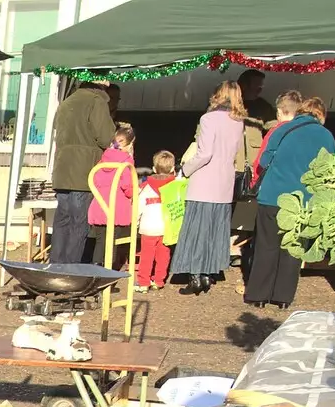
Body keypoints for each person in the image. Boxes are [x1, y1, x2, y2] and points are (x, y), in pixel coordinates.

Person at [246, 96, 335, 310]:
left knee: (266, 245)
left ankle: (259, 295)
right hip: (302, 201)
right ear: (321, 115)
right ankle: (283, 297)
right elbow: (327, 170)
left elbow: (265, 160)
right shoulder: (327, 137)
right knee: (293, 248)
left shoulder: (282, 130)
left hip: (272, 196)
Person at [175, 81, 246, 296]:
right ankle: (207, 273)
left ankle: (195, 276)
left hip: (204, 181)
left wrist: (185, 169)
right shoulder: (238, 121)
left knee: (197, 230)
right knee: (215, 231)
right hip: (224, 182)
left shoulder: (208, 118)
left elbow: (204, 154)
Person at [50, 79, 115, 264]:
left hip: (62, 168)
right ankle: (71, 271)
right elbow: (105, 137)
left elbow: (57, 130)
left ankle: (56, 267)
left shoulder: (67, 102)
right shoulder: (97, 101)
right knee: (79, 223)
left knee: (62, 220)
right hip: (83, 170)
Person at [87, 123, 137, 268]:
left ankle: (95, 270)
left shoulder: (104, 158)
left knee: (100, 240)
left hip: (100, 205)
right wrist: (132, 194)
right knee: (112, 241)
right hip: (116, 206)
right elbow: (127, 185)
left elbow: (95, 179)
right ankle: (107, 276)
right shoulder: (126, 161)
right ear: (130, 144)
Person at [136, 151, 177, 292]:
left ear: (154, 169)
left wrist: (135, 222)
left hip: (148, 226)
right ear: (172, 169)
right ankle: (158, 280)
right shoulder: (175, 186)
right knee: (163, 256)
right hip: (167, 227)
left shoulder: (146, 187)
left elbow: (138, 206)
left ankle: (143, 282)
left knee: (146, 256)